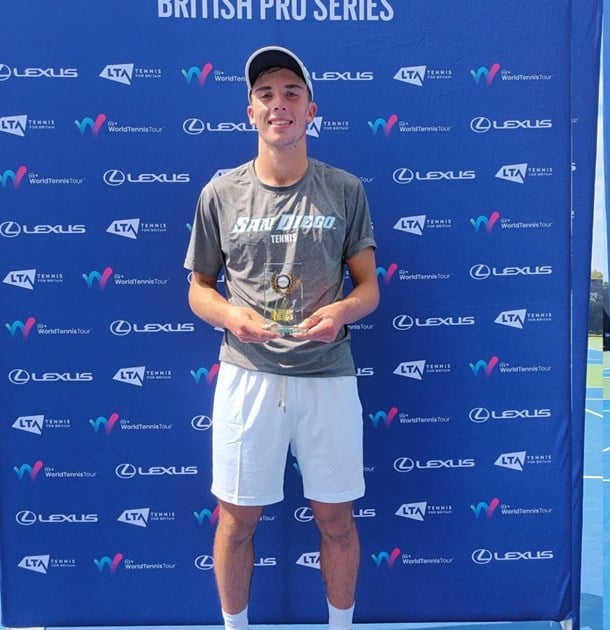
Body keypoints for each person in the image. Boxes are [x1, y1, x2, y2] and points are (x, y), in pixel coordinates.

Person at [184, 45, 379, 630]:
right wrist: (231, 317)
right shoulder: (221, 193)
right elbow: (199, 289)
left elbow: (369, 288)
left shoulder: (345, 189)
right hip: (247, 376)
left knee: (336, 521)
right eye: (265, 94)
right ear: (250, 111)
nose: (279, 104)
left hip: (328, 376)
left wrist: (342, 310)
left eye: (292, 93)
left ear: (311, 110)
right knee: (236, 521)